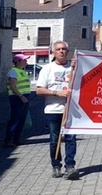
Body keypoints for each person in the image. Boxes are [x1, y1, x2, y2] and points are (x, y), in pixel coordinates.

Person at [35, 41, 79, 179]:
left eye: (64, 49)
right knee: (55, 139)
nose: (61, 51)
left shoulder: (74, 67)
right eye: (58, 49)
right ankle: (56, 165)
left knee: (71, 138)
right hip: (53, 109)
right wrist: (57, 93)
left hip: (71, 110)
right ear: (53, 52)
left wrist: (76, 68)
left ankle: (70, 166)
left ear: (68, 51)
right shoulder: (47, 69)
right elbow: (39, 90)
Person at [4, 54, 34, 147]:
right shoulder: (14, 72)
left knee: (22, 119)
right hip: (17, 97)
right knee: (15, 119)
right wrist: (21, 96)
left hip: (24, 97)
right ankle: (8, 140)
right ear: (17, 62)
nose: (26, 62)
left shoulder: (22, 71)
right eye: (24, 60)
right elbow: (12, 86)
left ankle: (17, 139)